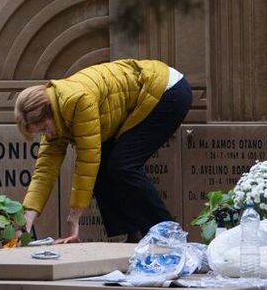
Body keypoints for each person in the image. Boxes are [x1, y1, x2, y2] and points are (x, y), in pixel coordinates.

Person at [14, 58, 191, 244]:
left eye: (43, 129)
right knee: (108, 165)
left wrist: (74, 217)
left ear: (48, 112)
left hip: (167, 92)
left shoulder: (77, 100)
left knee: (124, 165)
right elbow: (44, 171)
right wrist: (26, 220)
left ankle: (169, 238)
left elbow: (87, 160)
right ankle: (132, 235)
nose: (46, 135)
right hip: (141, 103)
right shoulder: (55, 116)